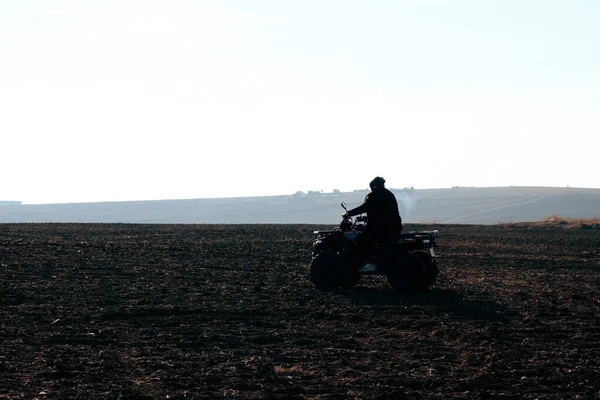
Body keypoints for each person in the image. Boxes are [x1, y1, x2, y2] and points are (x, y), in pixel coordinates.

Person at [342, 176, 403, 272]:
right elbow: (381, 211)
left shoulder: (375, 196)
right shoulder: (388, 194)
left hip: (382, 228)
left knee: (360, 240)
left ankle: (370, 263)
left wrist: (349, 213)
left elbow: (365, 207)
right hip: (394, 227)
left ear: (374, 186)